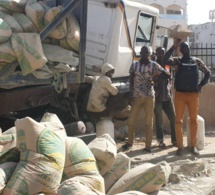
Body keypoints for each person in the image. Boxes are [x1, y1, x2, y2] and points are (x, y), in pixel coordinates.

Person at [163, 41, 211, 156]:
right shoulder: (177, 60)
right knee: (178, 121)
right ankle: (180, 147)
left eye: (186, 47)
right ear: (180, 50)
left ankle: (193, 146)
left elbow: (208, 73)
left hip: (193, 95)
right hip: (180, 94)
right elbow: (164, 61)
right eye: (182, 47)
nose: (185, 49)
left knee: (194, 120)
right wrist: (171, 48)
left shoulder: (196, 61)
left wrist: (200, 85)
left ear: (189, 48)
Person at [122, 46, 170, 153]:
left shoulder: (154, 65)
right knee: (131, 120)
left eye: (147, 52)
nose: (145, 54)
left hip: (149, 96)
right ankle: (130, 142)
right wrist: (130, 93)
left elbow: (166, 74)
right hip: (136, 96)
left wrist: (156, 79)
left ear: (150, 54)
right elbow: (131, 79)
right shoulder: (134, 65)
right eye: (143, 52)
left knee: (149, 122)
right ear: (140, 53)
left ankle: (148, 146)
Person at [153, 46, 177, 148]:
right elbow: (154, 78)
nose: (161, 55)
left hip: (167, 97)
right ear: (156, 54)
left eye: (163, 53)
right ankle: (160, 140)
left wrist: (160, 76)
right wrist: (160, 77)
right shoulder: (153, 65)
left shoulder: (167, 64)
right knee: (159, 121)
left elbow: (166, 75)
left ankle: (175, 140)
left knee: (173, 118)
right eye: (159, 53)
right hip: (158, 97)